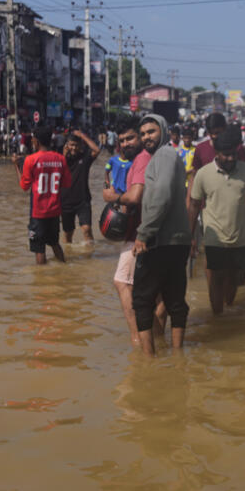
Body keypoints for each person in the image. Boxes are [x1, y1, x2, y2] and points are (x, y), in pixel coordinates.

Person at [189, 125, 245, 315]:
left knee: (234, 279)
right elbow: (193, 206)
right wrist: (190, 236)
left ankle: (228, 309)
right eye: (226, 155)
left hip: (240, 237)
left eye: (233, 154)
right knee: (216, 278)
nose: (231, 158)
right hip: (213, 237)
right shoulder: (203, 174)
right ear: (217, 153)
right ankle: (218, 318)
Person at [132, 114, 192, 357]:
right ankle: (178, 358)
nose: (146, 137)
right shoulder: (167, 155)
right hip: (176, 241)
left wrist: (144, 233)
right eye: (143, 134)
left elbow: (163, 194)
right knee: (174, 299)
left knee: (141, 301)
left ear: (163, 131)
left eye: (151, 132)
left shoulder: (164, 155)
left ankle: (149, 359)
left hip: (161, 241)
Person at [101, 118, 150, 346]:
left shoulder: (141, 161)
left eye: (130, 138)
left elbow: (135, 197)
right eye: (122, 140)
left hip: (140, 232)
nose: (125, 144)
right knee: (152, 291)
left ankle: (137, 338)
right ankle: (154, 338)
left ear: (140, 137)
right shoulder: (139, 159)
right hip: (144, 229)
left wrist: (113, 197)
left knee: (122, 282)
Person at [18, 127, 70, 265]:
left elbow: (24, 186)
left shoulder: (30, 160)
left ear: (36, 141)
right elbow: (66, 184)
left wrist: (16, 166)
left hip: (38, 212)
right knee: (55, 243)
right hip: (54, 210)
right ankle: (64, 267)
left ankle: (41, 276)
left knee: (39, 249)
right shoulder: (61, 159)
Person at [61, 129, 101, 245]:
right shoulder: (61, 160)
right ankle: (68, 253)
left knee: (87, 230)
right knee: (68, 234)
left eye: (76, 145)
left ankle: (90, 254)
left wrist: (82, 135)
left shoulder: (85, 158)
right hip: (65, 202)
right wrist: (63, 155)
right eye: (71, 145)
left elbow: (97, 150)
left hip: (83, 201)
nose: (73, 148)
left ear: (80, 146)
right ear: (66, 145)